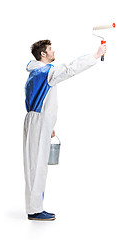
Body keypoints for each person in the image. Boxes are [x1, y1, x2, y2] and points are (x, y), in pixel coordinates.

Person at [23, 40, 106, 221]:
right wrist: (95, 55)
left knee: (35, 164)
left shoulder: (35, 72)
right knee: (37, 167)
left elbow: (39, 101)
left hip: (37, 123)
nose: (53, 51)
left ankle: (34, 207)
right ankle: (34, 210)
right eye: (50, 49)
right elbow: (70, 69)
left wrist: (48, 126)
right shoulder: (46, 72)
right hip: (38, 124)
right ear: (42, 54)